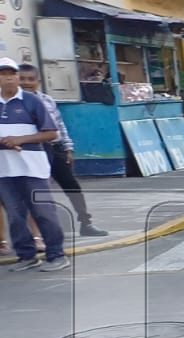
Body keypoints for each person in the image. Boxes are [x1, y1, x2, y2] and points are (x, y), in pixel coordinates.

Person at [16, 63, 104, 238]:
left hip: (55, 149)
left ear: (38, 82)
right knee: (37, 191)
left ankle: (86, 223)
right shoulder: (12, 104)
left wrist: (68, 148)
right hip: (31, 152)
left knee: (72, 186)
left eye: (31, 79)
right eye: (22, 79)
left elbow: (59, 125)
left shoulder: (47, 100)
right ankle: (37, 233)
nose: (26, 83)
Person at [0, 57, 69, 272]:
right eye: (3, 74)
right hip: (4, 170)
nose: (8, 78)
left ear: (17, 77)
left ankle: (56, 254)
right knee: (15, 214)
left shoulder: (32, 101)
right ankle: (26, 255)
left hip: (32, 168)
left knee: (43, 212)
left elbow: (51, 133)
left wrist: (19, 140)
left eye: (11, 73)